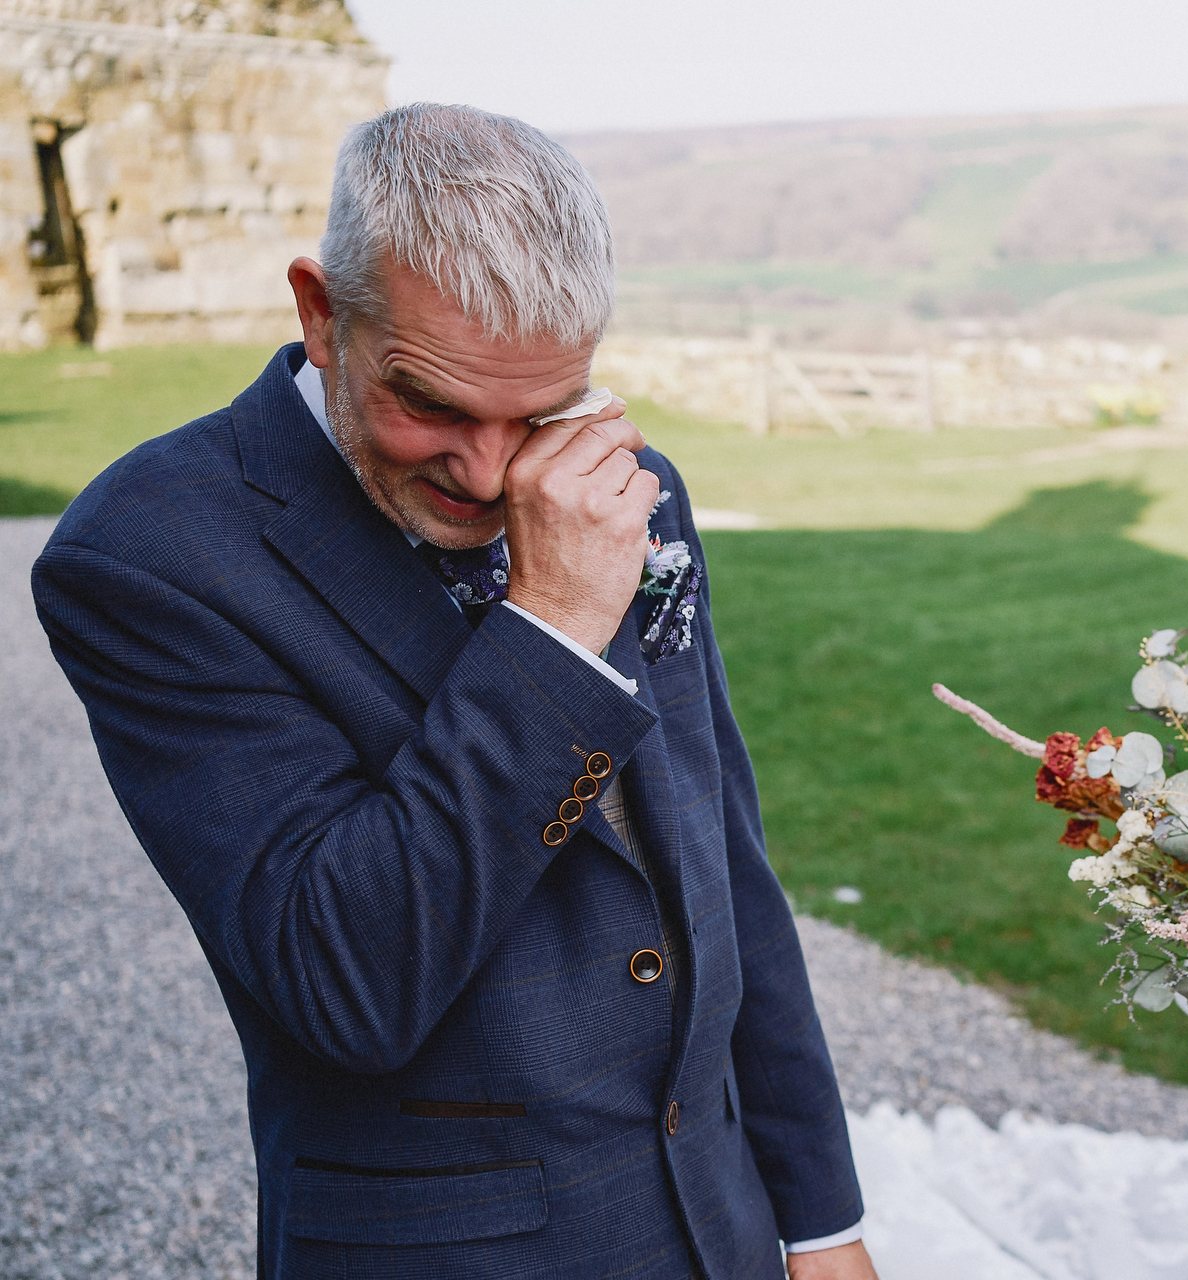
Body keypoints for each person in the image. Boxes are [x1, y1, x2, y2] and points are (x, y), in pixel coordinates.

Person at [33, 103, 877, 1280]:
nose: (488, 471)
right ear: (322, 314)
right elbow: (349, 983)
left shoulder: (630, 490)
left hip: (718, 1223)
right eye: (429, 402)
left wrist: (821, 1216)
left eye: (534, 412)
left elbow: (723, 857)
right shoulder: (148, 556)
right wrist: (553, 626)